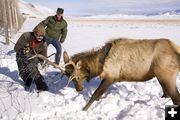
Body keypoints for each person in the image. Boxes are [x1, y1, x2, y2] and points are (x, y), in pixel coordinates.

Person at [14, 25, 48, 91]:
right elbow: (16, 48)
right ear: (34, 33)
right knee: (22, 73)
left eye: (42, 36)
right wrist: (23, 49)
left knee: (32, 68)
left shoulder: (44, 43)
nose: (40, 37)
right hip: (20, 55)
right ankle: (29, 81)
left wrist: (42, 62)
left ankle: (41, 86)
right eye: (38, 35)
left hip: (33, 57)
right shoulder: (26, 36)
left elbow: (44, 55)